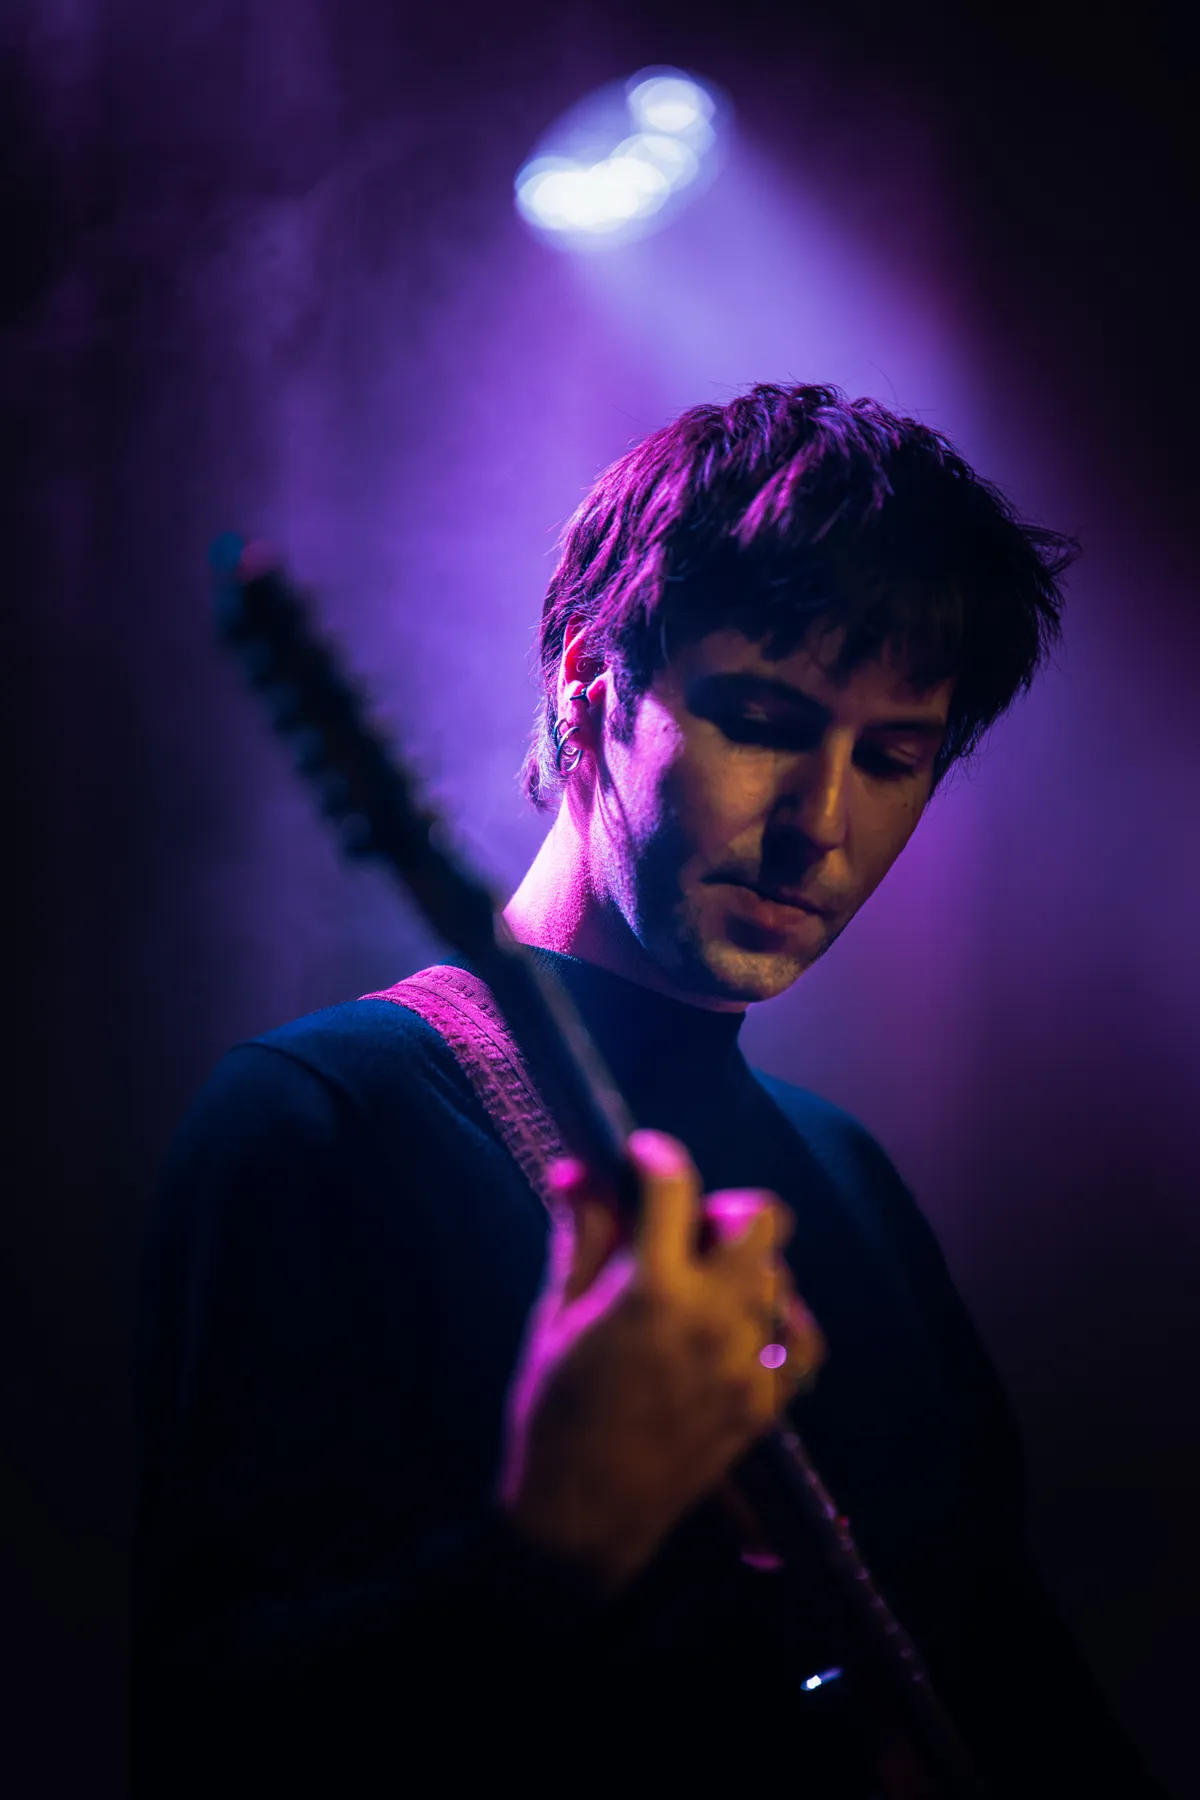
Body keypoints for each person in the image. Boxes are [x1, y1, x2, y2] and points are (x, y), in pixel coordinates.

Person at [132, 384, 1164, 1796]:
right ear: (587, 685)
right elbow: (201, 1742)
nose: (820, 826)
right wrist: (547, 1552)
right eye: (763, 722)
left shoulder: (850, 1181)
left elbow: (1011, 1684)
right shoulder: (317, 1123)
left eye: (892, 759)